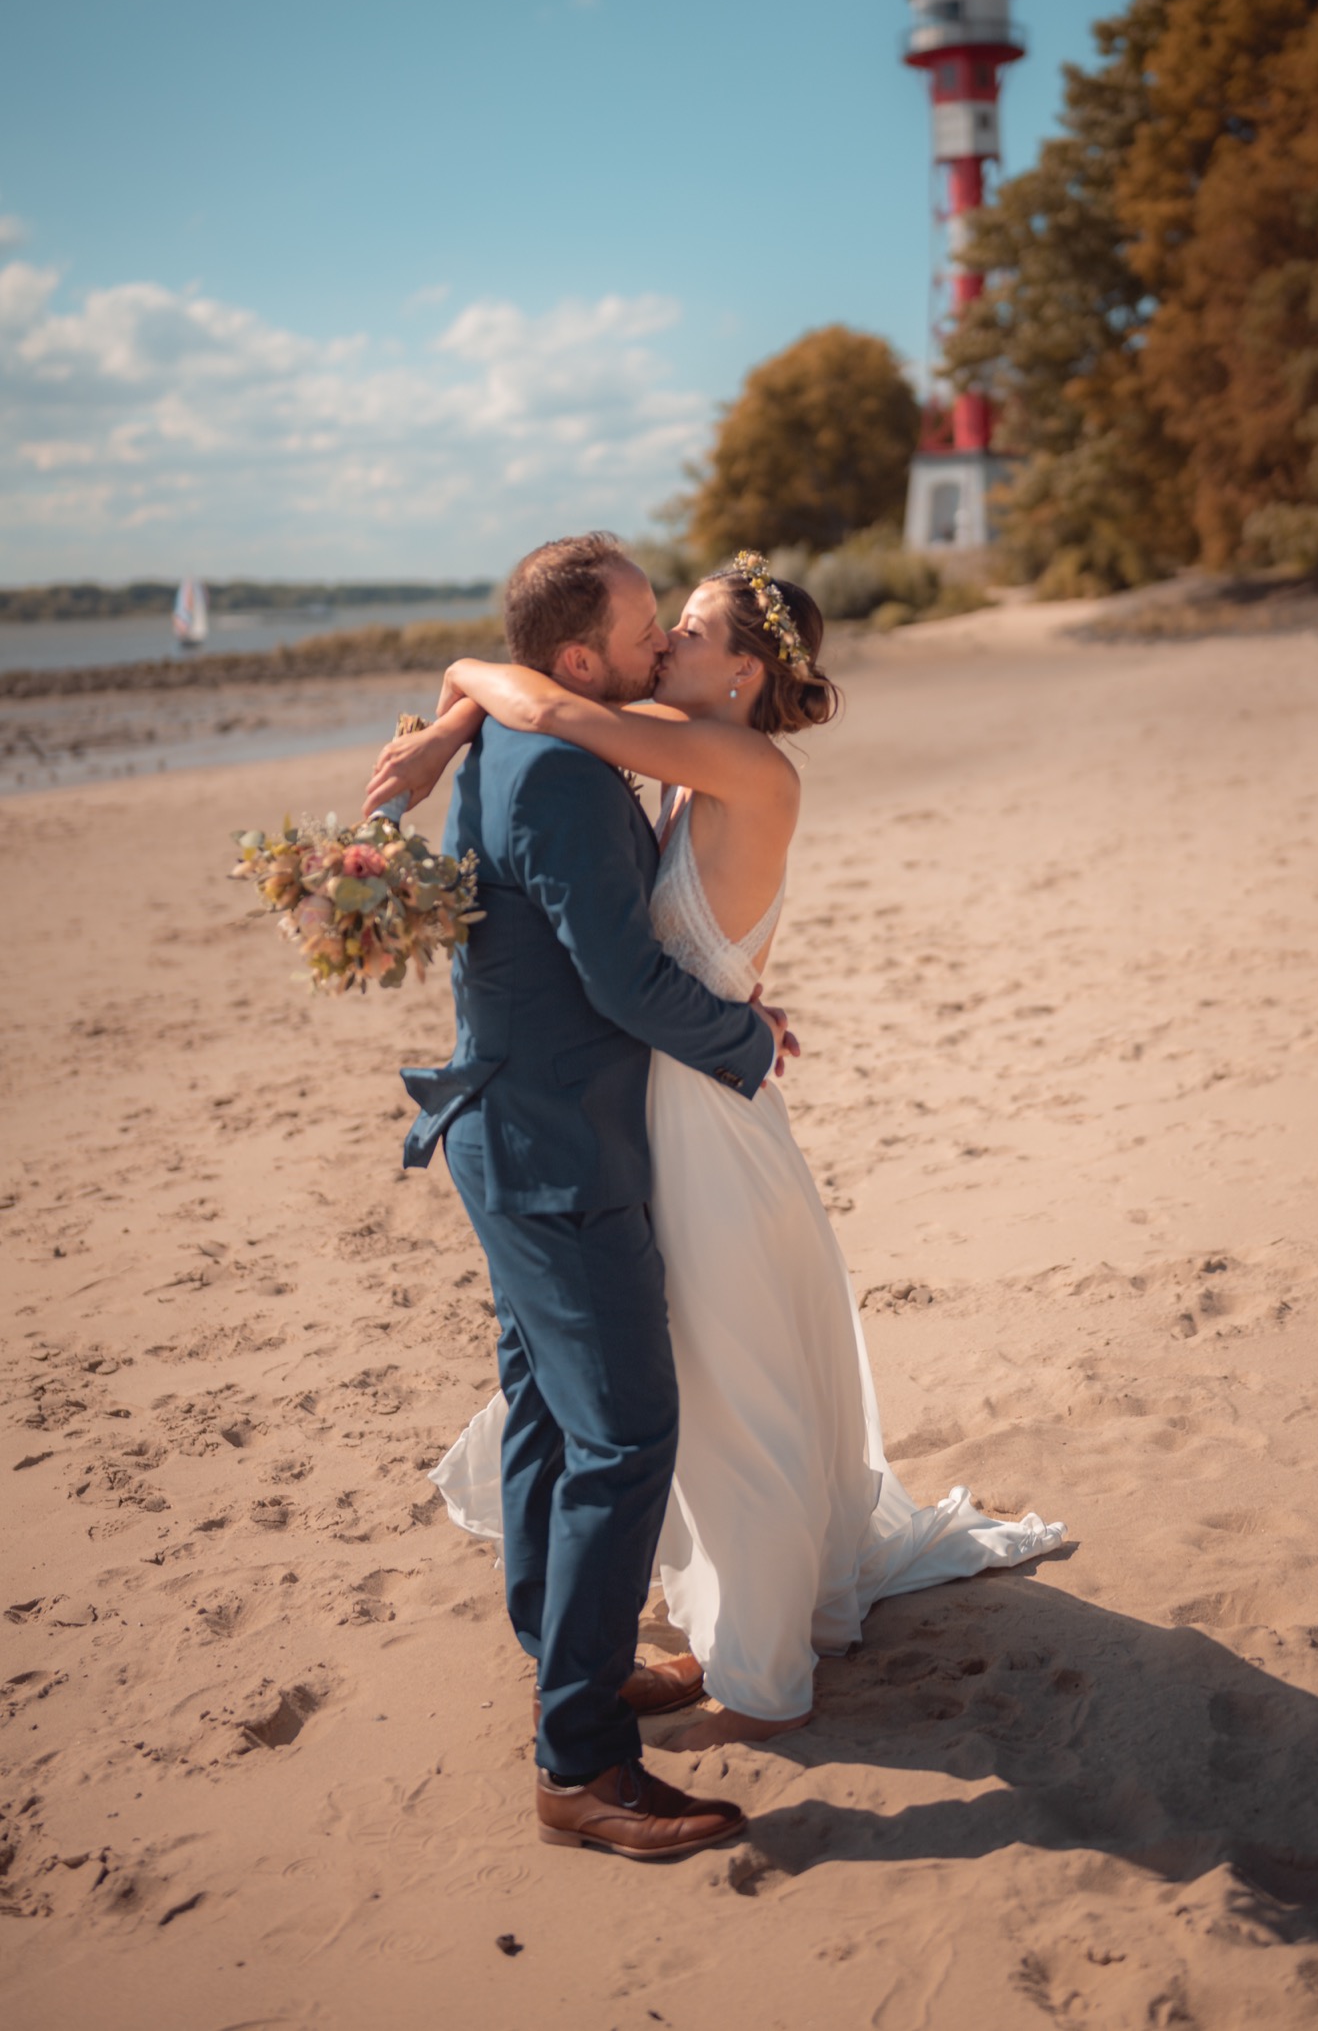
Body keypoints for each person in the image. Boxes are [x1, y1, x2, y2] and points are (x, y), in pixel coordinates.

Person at [368, 542, 1063, 1758]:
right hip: (661, 1105)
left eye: (689, 630)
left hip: (708, 1115)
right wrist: (447, 718)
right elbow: (548, 688)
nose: (670, 643)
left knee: (730, 1386)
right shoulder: (671, 737)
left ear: (743, 674)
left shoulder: (734, 760)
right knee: (690, 1387)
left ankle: (752, 1654)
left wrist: (452, 702)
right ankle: (687, 1627)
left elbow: (540, 694)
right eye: (665, 627)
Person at [389, 532, 795, 1863]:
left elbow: (511, 695)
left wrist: (455, 712)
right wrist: (746, 1045)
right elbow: (621, 980)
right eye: (641, 636)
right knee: (622, 1436)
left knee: (547, 1413)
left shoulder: (526, 731)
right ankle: (580, 1763)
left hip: (505, 1127)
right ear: (576, 660)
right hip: (559, 1147)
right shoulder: (564, 761)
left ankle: (568, 1650)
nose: (657, 650)